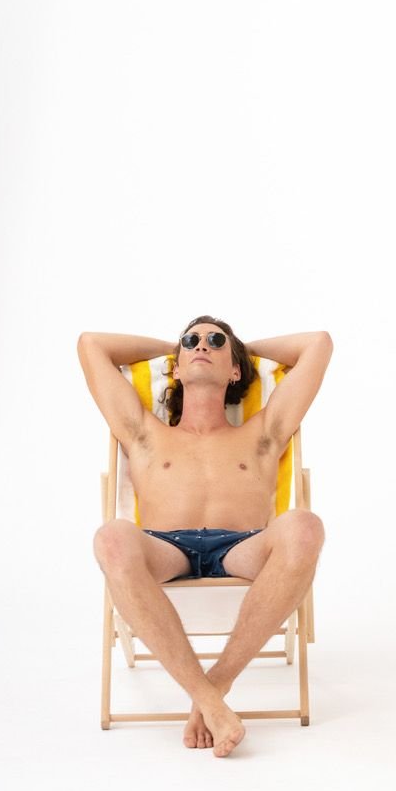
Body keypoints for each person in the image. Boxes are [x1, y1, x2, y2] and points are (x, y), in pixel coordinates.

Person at [78, 317, 332, 758]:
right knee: (112, 538)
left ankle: (214, 688)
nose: (201, 346)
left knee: (305, 525)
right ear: (174, 366)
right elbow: (90, 344)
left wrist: (239, 344)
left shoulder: (263, 434)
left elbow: (318, 344)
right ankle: (211, 701)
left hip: (244, 547)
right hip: (164, 547)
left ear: (236, 370)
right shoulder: (144, 433)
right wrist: (175, 351)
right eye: (190, 341)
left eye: (215, 342)